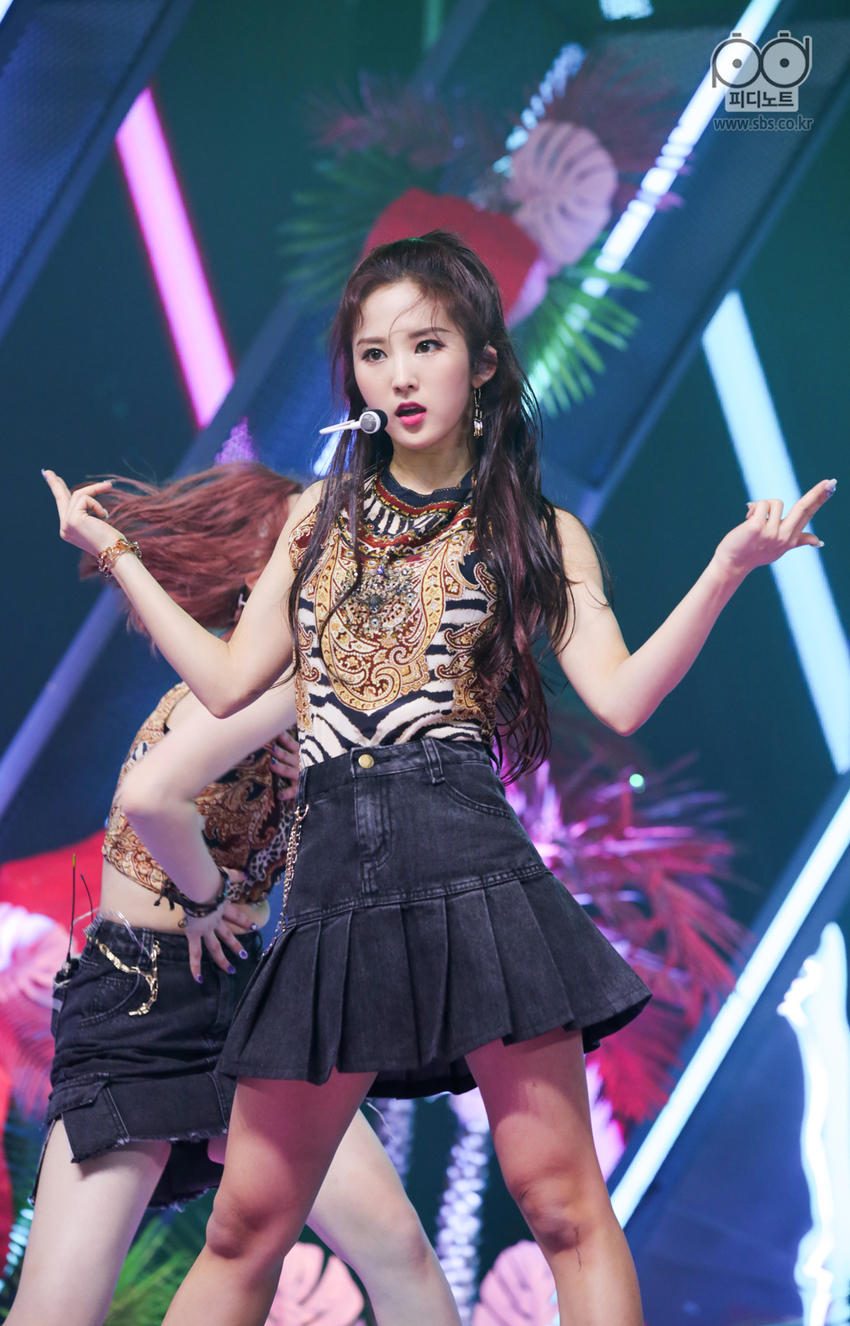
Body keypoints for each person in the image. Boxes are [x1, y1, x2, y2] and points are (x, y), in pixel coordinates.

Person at [43, 230, 835, 1326]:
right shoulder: (315, 520)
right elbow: (226, 685)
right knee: (243, 1229)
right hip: (332, 888)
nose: (400, 375)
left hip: (467, 860)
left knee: (561, 1206)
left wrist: (724, 571)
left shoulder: (536, 533)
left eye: (426, 345)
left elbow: (618, 697)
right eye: (375, 354)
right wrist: (119, 554)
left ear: (484, 361)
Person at [13, 463, 461, 1326]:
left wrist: (315, 781)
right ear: (265, 577)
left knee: (396, 1248)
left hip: (246, 1004)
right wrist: (208, 897)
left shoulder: (301, 696)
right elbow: (151, 801)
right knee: (57, 1314)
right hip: (145, 1002)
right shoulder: (261, 684)